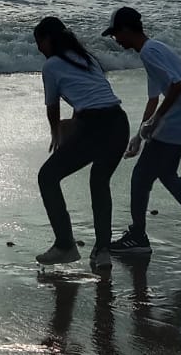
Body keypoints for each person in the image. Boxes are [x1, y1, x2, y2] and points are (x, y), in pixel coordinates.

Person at [101, 6, 181, 254]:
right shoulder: (155, 49)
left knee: (141, 177)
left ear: (125, 29)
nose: (116, 40)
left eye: (115, 34)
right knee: (166, 174)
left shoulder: (150, 52)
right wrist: (139, 135)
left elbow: (176, 87)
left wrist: (155, 122)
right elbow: (153, 99)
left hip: (175, 121)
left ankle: (138, 236)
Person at [32, 16, 130, 269]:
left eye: (39, 42)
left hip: (95, 125)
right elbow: (88, 98)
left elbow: (52, 107)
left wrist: (55, 132)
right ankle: (102, 250)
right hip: (119, 123)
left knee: (47, 177)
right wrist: (74, 129)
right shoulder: (87, 59)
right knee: (99, 182)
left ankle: (65, 246)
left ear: (48, 39)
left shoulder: (52, 66)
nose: (38, 48)